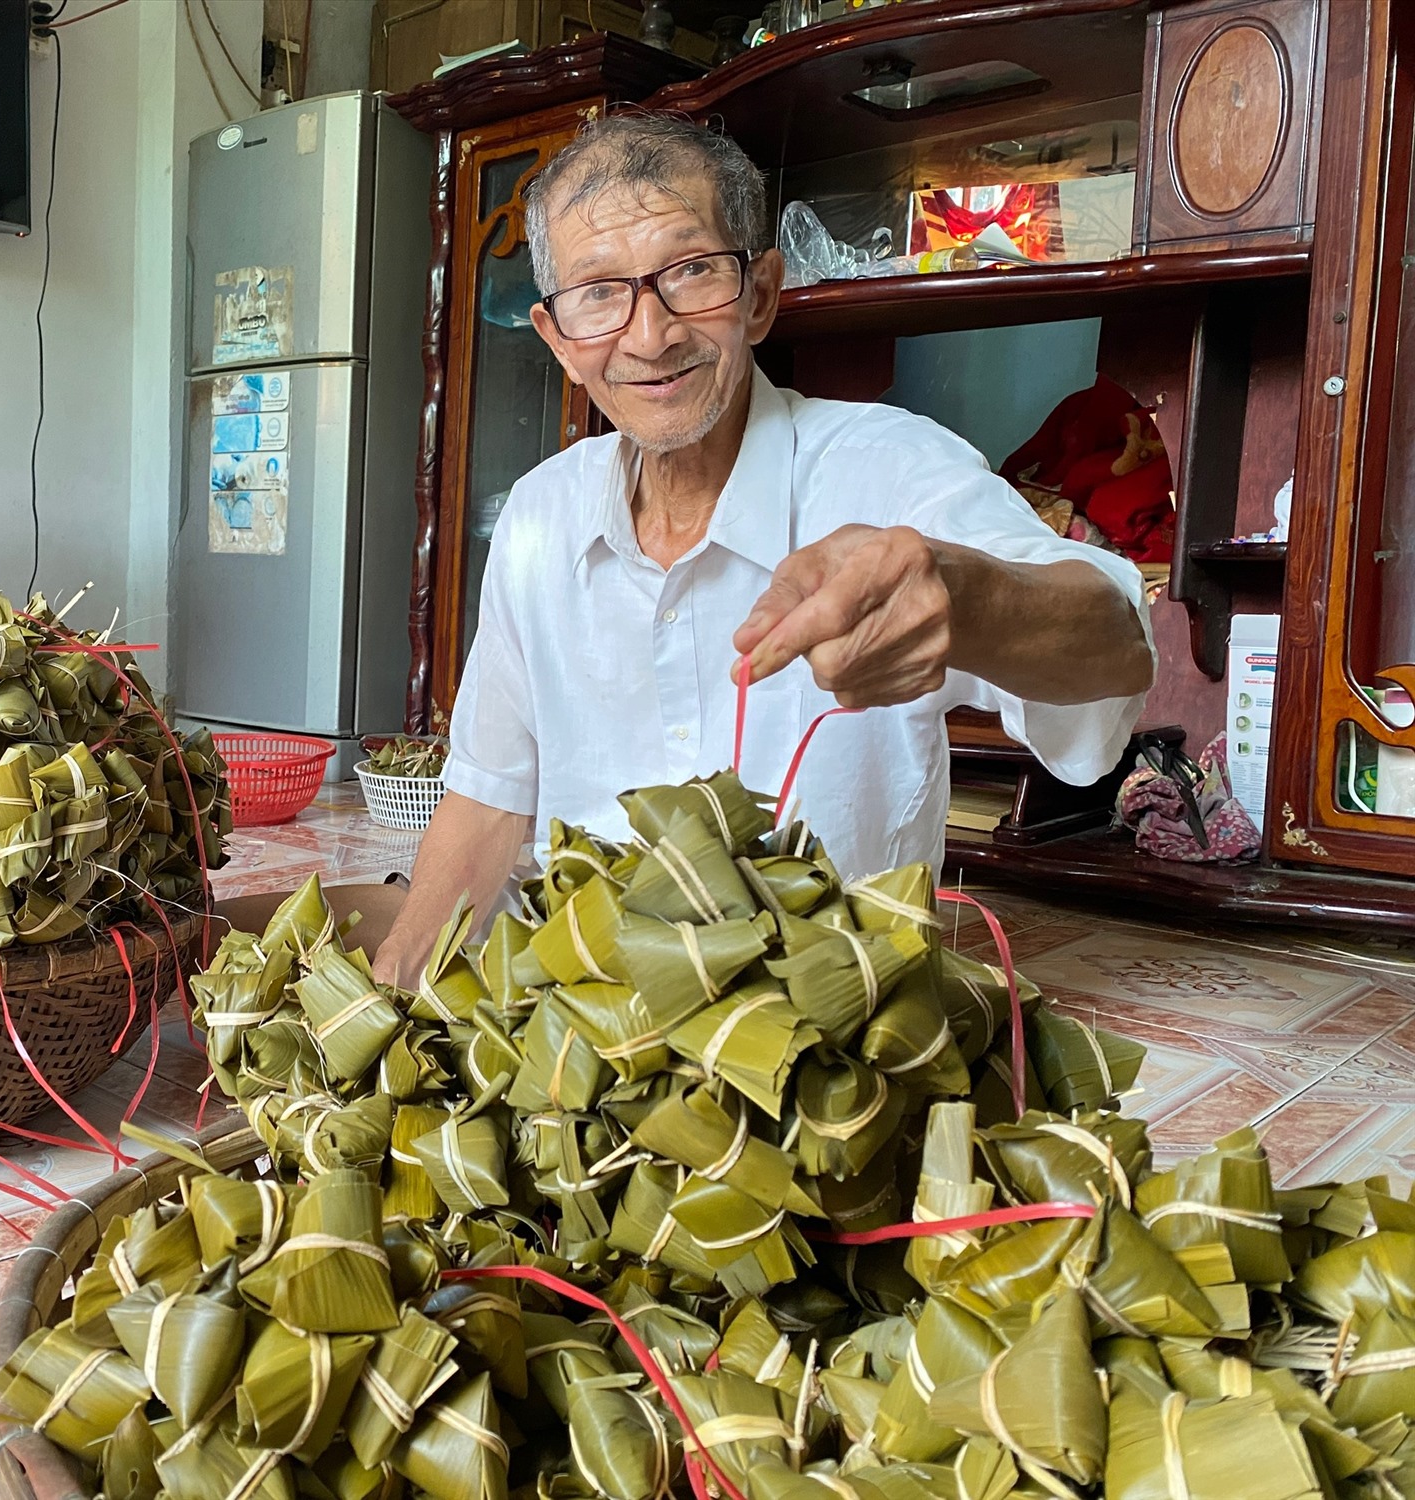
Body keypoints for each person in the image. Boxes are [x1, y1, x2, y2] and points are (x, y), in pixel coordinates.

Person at [370, 113, 1155, 987]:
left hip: (823, 1050)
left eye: (691, 270)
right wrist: (383, 1002)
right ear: (558, 341)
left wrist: (967, 601)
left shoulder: (887, 467)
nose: (649, 334)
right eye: (599, 291)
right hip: (587, 1050)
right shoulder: (538, 517)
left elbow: (1117, 642)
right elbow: (489, 796)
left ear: (761, 295)